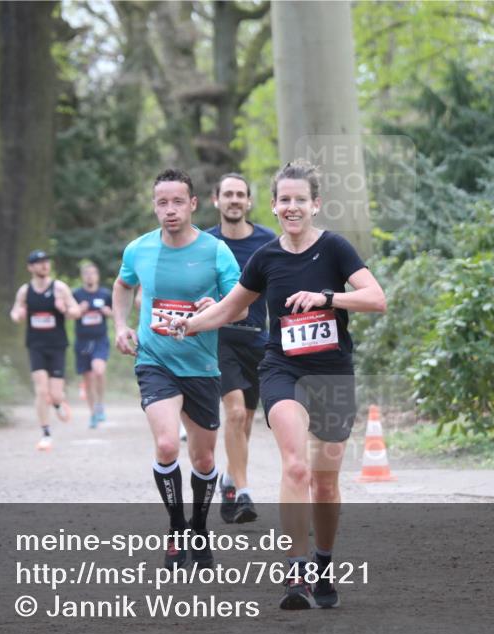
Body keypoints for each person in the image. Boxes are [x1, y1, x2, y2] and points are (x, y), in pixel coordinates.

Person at [156, 160, 386, 610]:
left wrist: (327, 298)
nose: (293, 207)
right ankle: (295, 571)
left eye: (301, 199)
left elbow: (375, 298)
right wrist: (188, 325)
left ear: (315, 204)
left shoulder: (336, 248)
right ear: (275, 207)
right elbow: (228, 309)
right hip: (283, 369)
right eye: (285, 200)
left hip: (332, 372)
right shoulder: (266, 257)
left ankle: (322, 562)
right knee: (296, 466)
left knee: (324, 481)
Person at [112, 168, 244, 570]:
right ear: (154, 206)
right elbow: (123, 286)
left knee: (204, 461)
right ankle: (176, 527)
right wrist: (121, 324)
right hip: (155, 360)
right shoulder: (138, 249)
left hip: (202, 364)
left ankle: (200, 527)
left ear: (193, 204)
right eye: (162, 203)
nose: (169, 210)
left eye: (177, 202)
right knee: (168, 445)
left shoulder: (216, 251)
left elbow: (242, 305)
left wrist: (215, 309)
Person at [207, 173, 276, 524]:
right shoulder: (204, 243)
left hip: (256, 339)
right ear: (215, 200)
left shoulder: (268, 241)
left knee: (246, 420)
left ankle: (230, 480)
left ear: (249, 202)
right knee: (233, 414)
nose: (234, 200)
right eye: (227, 194)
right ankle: (245, 491)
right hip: (219, 339)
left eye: (240, 195)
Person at [9, 250, 81, 451]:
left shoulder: (59, 288)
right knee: (41, 390)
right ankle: (46, 433)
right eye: (39, 263)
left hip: (57, 345)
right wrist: (18, 315)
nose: (44, 265)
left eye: (46, 262)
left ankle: (58, 403)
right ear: (30, 267)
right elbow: (15, 311)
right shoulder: (25, 291)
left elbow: (76, 311)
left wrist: (64, 309)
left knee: (55, 394)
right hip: (36, 345)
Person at [72, 261, 113, 428]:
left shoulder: (105, 294)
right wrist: (78, 310)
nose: (90, 276)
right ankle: (92, 414)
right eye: (87, 273)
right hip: (82, 341)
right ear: (83, 276)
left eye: (93, 273)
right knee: (88, 379)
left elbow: (114, 313)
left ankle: (100, 404)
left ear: (97, 276)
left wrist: (108, 312)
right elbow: (70, 314)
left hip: (99, 340)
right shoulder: (76, 294)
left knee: (99, 370)